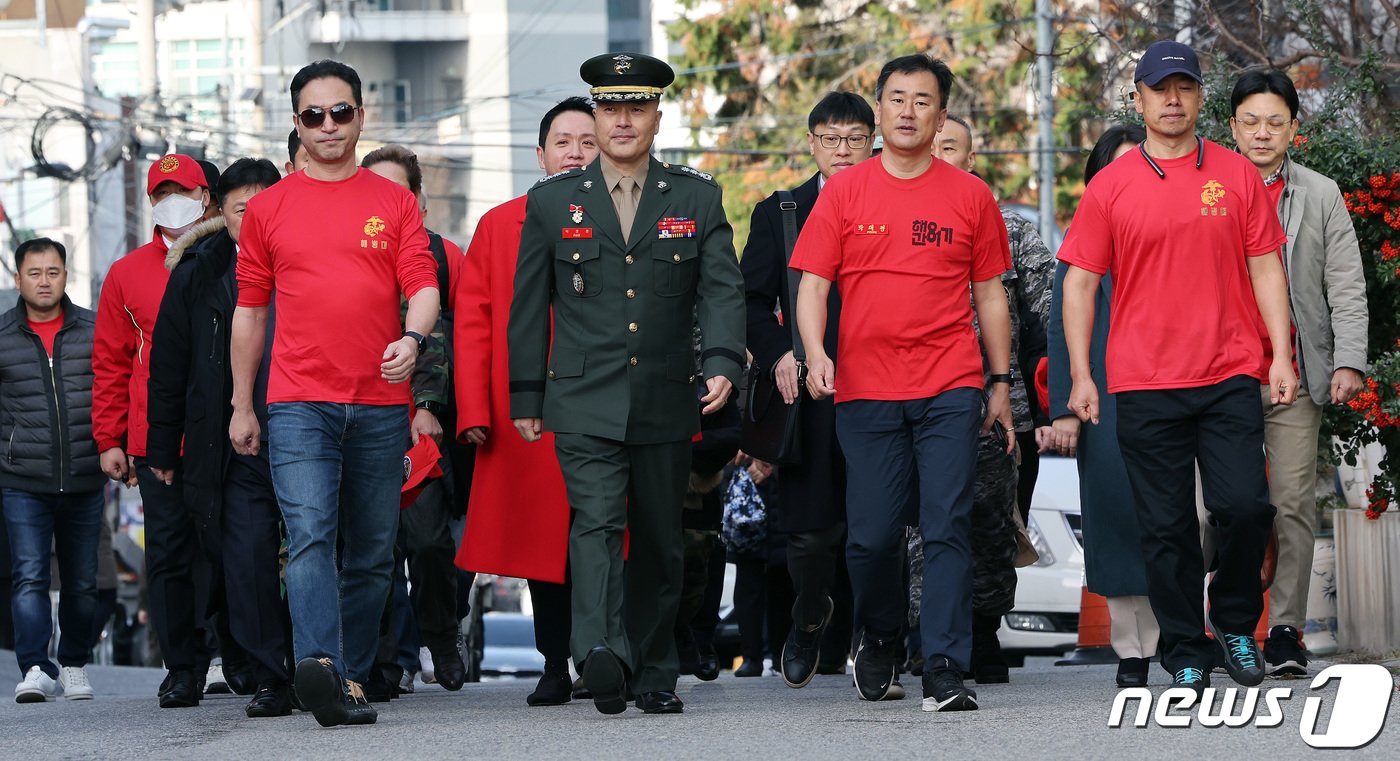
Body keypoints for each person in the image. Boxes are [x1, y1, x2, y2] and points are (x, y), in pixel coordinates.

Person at [507, 52, 745, 716]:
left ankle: (655, 669)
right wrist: (526, 394)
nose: (622, 120)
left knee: (661, 539)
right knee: (596, 522)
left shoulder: (697, 196)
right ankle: (602, 651)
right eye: (609, 107)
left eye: (635, 107)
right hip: (582, 396)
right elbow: (530, 304)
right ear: (595, 113)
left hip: (668, 395)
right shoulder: (554, 202)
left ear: (656, 116)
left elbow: (721, 290)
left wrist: (723, 361)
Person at [1058, 41, 1296, 693]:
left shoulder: (1236, 173)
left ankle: (1238, 627)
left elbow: (1265, 265)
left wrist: (1281, 351)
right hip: (1142, 379)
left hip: (1227, 373)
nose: (1172, 99)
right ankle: (1186, 647)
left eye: (1184, 87)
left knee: (1245, 507)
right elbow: (1079, 284)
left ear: (1199, 98)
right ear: (1138, 99)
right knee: (1164, 526)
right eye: (1159, 89)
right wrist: (1081, 373)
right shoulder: (1111, 186)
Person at [791, 54, 1014, 713]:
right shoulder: (846, 192)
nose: (909, 111)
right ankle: (882, 630)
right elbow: (813, 285)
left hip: (950, 382)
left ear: (941, 114)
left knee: (948, 522)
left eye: (923, 101)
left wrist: (998, 382)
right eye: (897, 99)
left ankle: (945, 664)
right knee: (872, 534)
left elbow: (992, 296)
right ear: (880, 112)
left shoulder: (970, 195)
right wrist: (813, 351)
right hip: (865, 388)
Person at [231, 59, 440, 728]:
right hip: (298, 403)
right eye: (314, 115)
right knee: (312, 535)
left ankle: (343, 677)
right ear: (296, 123)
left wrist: (413, 337)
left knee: (375, 552)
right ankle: (320, 665)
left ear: (359, 114)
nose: (328, 125)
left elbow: (424, 283)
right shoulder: (267, 209)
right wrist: (242, 402)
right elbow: (251, 312)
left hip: (381, 404)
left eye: (340, 112)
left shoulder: (394, 202)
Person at [456, 97, 597, 706]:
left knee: (606, 534)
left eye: (586, 142)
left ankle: (603, 653)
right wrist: (474, 410)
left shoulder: (635, 213)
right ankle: (555, 662)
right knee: (546, 544)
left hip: (606, 400)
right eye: (562, 142)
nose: (575, 152)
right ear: (540, 155)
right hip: (529, 409)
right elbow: (474, 323)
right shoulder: (500, 224)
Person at [1228, 70, 1369, 677]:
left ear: (1294, 128)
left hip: (1297, 370)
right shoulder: (1209, 187)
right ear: (1232, 127)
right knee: (1220, 507)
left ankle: (1283, 629)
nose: (1262, 133)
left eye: (1275, 122)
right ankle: (1227, 617)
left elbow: (1345, 282)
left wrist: (1348, 361)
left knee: (1291, 504)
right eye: (1251, 121)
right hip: (1222, 370)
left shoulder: (1321, 192)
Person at [146, 157, 296, 717]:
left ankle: (329, 664)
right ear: (222, 215)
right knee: (247, 555)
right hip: (230, 440)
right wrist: (163, 445)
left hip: (308, 426)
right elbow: (169, 364)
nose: (253, 218)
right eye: (241, 208)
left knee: (316, 551)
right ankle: (270, 673)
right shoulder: (198, 271)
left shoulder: (307, 262)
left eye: (264, 206)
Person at [740, 90, 874, 688]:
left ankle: (871, 642)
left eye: (854, 138)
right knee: (813, 532)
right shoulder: (781, 212)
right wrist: (778, 357)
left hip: (884, 386)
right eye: (831, 139)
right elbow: (748, 299)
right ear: (813, 143)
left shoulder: (895, 202)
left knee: (877, 525)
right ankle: (808, 616)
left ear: (871, 141)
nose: (843, 150)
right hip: (809, 394)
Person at [914, 113, 1053, 684]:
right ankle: (928, 637)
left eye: (953, 147)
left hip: (1003, 411)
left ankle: (984, 629)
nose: (940, 154)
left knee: (994, 526)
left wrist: (1053, 404)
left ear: (971, 160)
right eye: (933, 145)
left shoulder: (1012, 231)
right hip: (920, 400)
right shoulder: (900, 221)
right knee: (924, 528)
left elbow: (1047, 318)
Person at [93, 153, 220, 709]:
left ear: (205, 196)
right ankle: (182, 667)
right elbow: (111, 362)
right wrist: (110, 439)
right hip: (155, 441)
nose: (174, 200)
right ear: (151, 203)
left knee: (227, 547)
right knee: (167, 553)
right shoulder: (127, 273)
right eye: (163, 193)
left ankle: (232, 654)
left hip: (222, 432)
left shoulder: (231, 258)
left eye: (183, 190)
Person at [1044, 123, 1161, 687]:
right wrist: (1065, 404)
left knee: (1173, 515)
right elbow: (1060, 328)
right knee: (1114, 517)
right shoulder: (1082, 238)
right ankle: (1131, 647)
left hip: (1171, 389)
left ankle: (1177, 634)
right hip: (1104, 398)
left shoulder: (1175, 225)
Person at [360, 144, 469, 695]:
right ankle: (380, 664)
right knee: (373, 548)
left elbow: (464, 338)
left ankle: (442, 636)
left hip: (423, 426)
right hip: (356, 420)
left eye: (397, 190)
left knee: (428, 543)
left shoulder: (445, 256)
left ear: (417, 199)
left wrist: (430, 407)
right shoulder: (346, 249)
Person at [1, 238, 103, 703]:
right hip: (22, 480)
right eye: (35, 272)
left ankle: (75, 663)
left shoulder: (93, 329)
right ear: (18, 278)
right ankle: (36, 668)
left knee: (83, 581)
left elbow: (110, 393)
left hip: (85, 474)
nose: (45, 281)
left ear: (66, 275)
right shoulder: (2, 336)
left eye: (53, 271)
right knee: (29, 576)